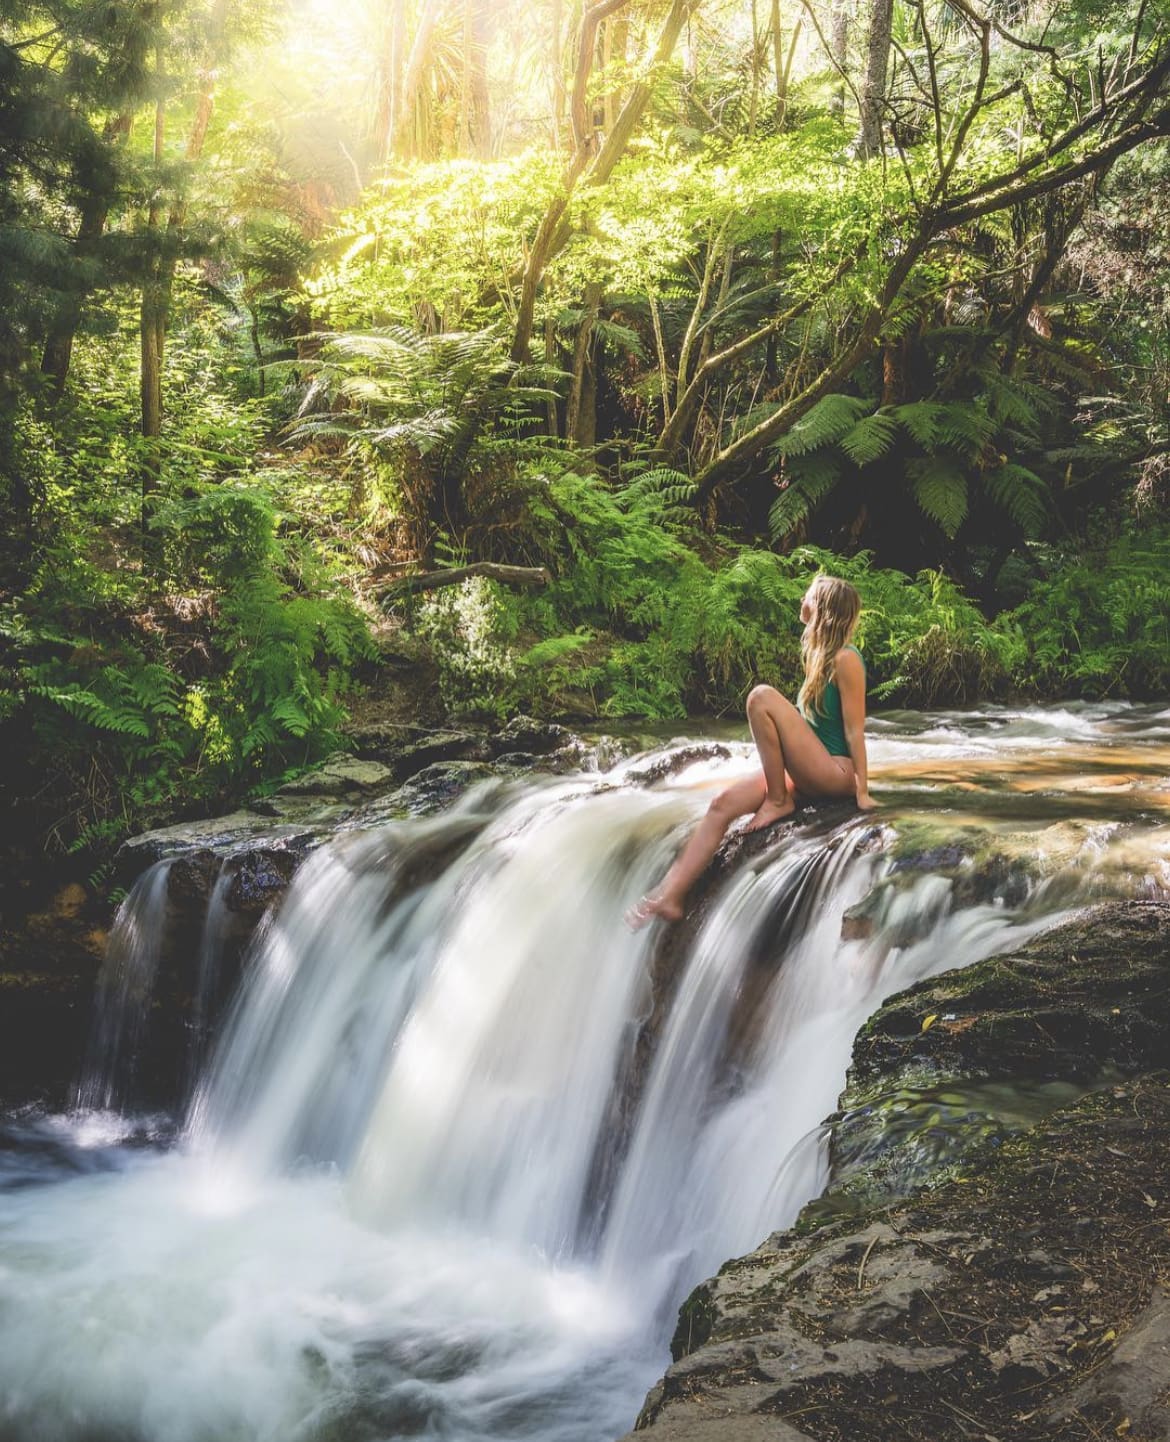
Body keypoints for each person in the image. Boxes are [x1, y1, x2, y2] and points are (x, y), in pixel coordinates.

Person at [628, 574, 877, 927]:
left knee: (761, 696)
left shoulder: (847, 658)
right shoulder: (818, 654)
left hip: (835, 772)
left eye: (807, 596)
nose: (800, 600)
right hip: (807, 770)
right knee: (721, 805)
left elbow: (854, 729)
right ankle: (670, 895)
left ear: (822, 608)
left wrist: (863, 791)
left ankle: (778, 800)